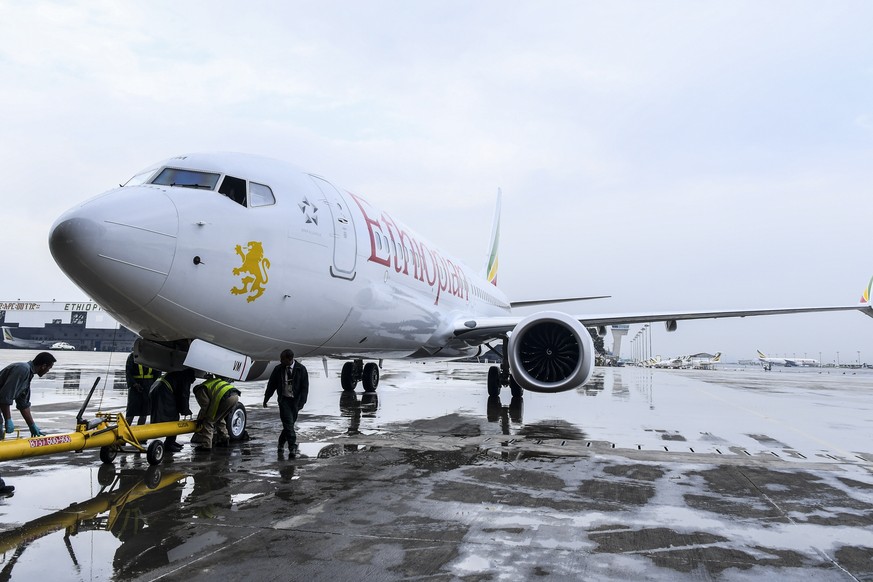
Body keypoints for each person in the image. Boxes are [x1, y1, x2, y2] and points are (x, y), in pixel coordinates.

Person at [0, 351, 56, 440]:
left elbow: (23, 405)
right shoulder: (22, 369)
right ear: (43, 366)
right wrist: (8, 419)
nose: (48, 371)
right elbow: (5, 397)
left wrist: (32, 425)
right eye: (49, 368)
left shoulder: (28, 375)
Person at [263, 349, 308, 454]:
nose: (281, 361)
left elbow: (305, 387)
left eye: (283, 359)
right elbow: (271, 385)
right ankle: (292, 446)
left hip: (295, 401)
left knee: (290, 425)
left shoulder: (301, 369)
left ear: (290, 359)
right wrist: (266, 398)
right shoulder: (278, 369)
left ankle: (281, 442)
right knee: (288, 423)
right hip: (284, 400)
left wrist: (302, 402)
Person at [149, 368, 195, 452]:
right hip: (163, 391)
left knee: (173, 416)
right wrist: (185, 410)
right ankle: (169, 444)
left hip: (155, 388)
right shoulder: (186, 378)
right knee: (173, 418)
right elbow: (183, 395)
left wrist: (183, 409)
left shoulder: (178, 373)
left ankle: (171, 441)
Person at [190, 375, 241, 450]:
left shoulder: (200, 390)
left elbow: (205, 407)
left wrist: (201, 419)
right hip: (234, 395)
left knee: (208, 421)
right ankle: (225, 439)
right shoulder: (208, 384)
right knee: (219, 418)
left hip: (225, 398)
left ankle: (206, 446)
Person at [124, 353, 155, 425]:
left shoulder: (153, 356)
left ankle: (139, 431)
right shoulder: (133, 356)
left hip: (148, 386)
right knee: (131, 412)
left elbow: (157, 372)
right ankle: (125, 430)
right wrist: (134, 384)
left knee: (144, 412)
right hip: (135, 387)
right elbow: (128, 372)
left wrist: (154, 386)